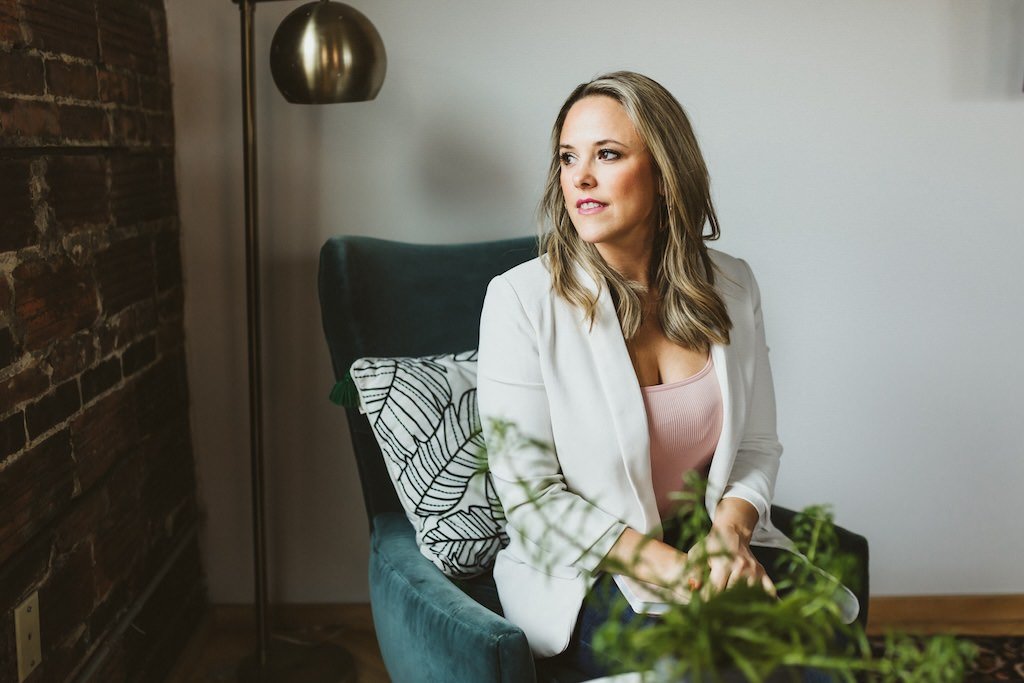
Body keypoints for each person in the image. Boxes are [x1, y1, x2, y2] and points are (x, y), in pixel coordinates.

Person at [476, 71, 858, 677]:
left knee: (815, 652)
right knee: (701, 659)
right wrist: (677, 573)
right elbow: (530, 495)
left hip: (711, 545)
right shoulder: (520, 300)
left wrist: (730, 537)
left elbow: (757, 447)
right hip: (594, 566)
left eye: (607, 154)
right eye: (567, 158)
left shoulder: (732, 285)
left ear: (663, 171)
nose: (580, 178)